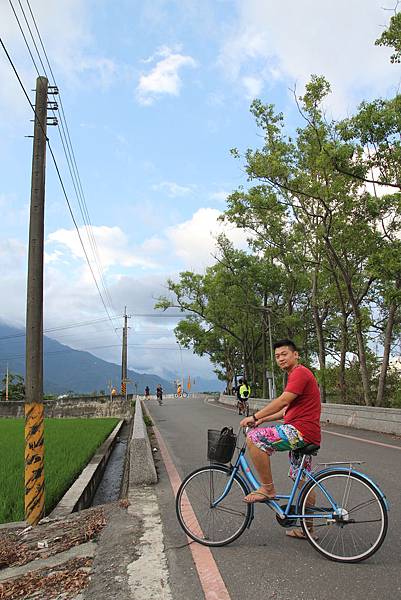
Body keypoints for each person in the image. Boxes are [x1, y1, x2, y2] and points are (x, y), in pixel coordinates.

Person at [240, 339, 321, 540]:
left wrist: (255, 417)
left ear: (296, 355)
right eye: (277, 356)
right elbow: (287, 410)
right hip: (306, 432)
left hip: (299, 431)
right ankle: (307, 530)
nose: (280, 359)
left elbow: (283, 401)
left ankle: (267, 488)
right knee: (302, 480)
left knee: (253, 439)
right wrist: (262, 420)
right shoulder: (296, 376)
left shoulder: (300, 373)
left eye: (284, 354)